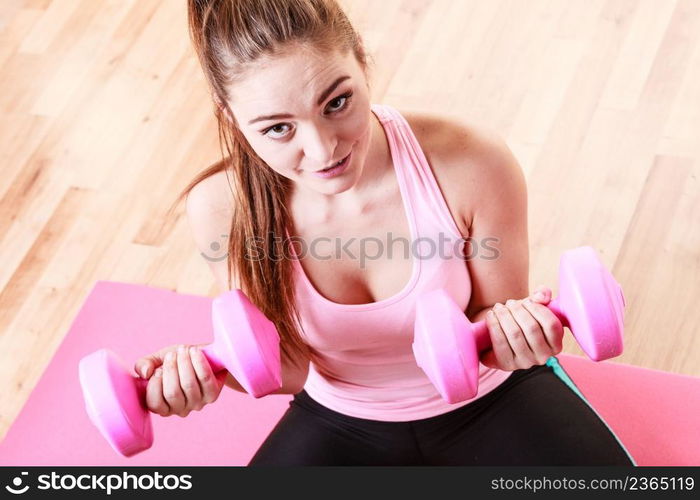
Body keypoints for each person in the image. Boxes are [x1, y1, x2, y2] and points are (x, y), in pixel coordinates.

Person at [134, 0, 636, 466]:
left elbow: (496, 330)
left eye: (337, 103)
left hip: (493, 394)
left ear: (362, 63)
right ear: (232, 118)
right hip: (344, 416)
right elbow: (287, 368)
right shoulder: (224, 208)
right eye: (277, 129)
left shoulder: (470, 161)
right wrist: (202, 377)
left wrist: (519, 332)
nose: (323, 148)